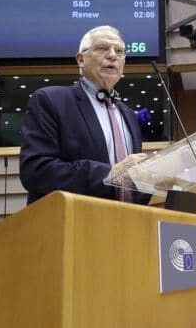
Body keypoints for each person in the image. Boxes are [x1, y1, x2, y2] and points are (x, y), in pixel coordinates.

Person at [20, 25, 151, 205]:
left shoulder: (128, 114)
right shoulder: (51, 100)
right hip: (71, 224)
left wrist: (154, 181)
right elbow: (36, 171)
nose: (113, 55)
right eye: (102, 48)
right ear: (81, 60)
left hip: (125, 224)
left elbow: (129, 187)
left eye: (119, 51)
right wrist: (111, 173)